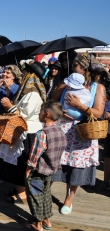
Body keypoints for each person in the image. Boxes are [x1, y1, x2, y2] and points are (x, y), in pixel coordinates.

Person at [51, 54, 106, 214]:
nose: (71, 67)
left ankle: (69, 199)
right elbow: (51, 102)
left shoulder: (98, 88)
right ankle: (46, 192)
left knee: (76, 166)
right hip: (62, 130)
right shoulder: (66, 84)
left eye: (75, 65)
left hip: (82, 132)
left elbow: (98, 112)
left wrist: (79, 106)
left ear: (85, 68)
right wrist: (60, 111)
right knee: (55, 162)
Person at [0, 62, 47, 203]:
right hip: (22, 132)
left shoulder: (33, 95)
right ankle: (20, 189)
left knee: (21, 164)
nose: (23, 74)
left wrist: (10, 107)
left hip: (28, 133)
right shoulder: (27, 93)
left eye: (26, 73)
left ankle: (23, 193)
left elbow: (24, 116)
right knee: (17, 164)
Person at [24, 101, 66, 231]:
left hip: (38, 171)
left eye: (41, 111)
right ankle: (47, 220)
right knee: (46, 194)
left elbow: (34, 155)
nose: (39, 113)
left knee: (36, 195)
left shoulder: (42, 133)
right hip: (51, 170)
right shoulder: (60, 131)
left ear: (46, 114)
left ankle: (38, 223)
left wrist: (28, 170)